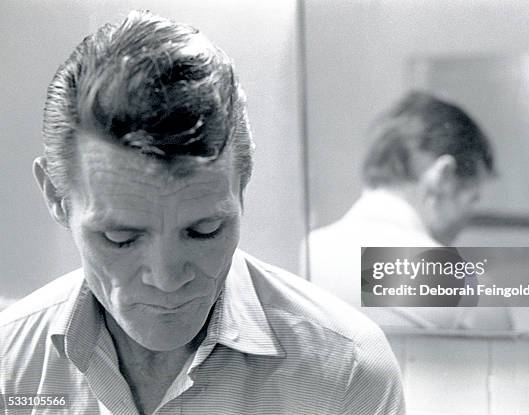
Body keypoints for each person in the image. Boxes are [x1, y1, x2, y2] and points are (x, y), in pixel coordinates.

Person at [0, 11, 404, 415]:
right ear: (55, 195)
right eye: (120, 238)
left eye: (205, 230)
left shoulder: (348, 372)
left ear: (243, 184)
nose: (167, 278)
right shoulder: (7, 366)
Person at [307, 92, 511, 329]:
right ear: (443, 176)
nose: (467, 218)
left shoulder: (303, 254)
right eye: (473, 198)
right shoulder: (466, 288)